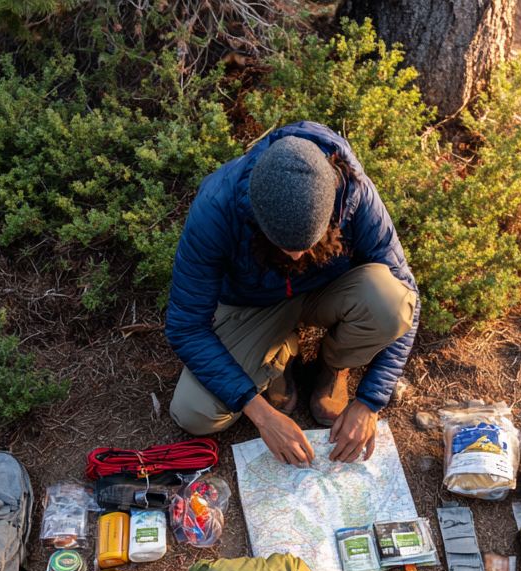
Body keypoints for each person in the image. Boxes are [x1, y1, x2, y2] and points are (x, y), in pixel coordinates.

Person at [165, 121, 419, 466]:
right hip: (251, 304)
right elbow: (186, 325)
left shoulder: (354, 193)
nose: (297, 257)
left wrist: (370, 402)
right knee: (194, 413)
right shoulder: (216, 207)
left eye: (308, 242)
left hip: (324, 291)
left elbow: (408, 292)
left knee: (391, 301)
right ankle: (279, 354)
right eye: (283, 246)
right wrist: (261, 415)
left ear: (331, 210)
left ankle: (335, 367)